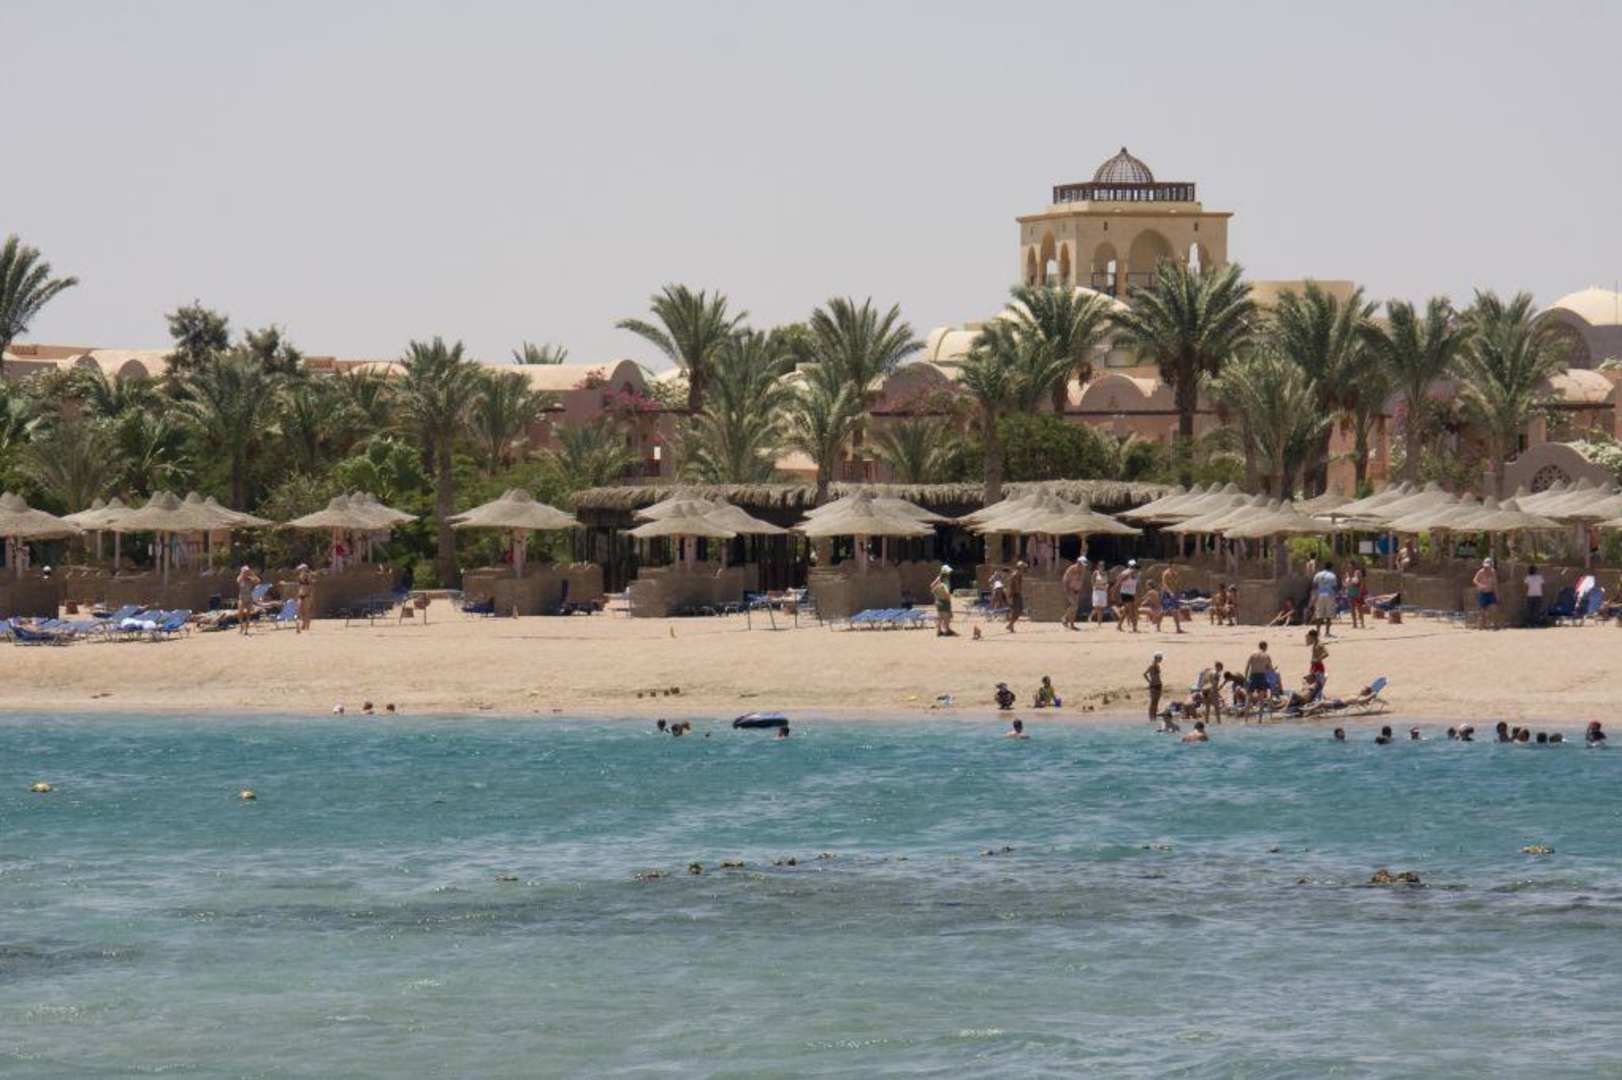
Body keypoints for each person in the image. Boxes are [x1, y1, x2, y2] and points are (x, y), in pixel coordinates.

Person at [1311, 560, 1338, 638]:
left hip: (1320, 595)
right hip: (1329, 595)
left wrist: (1315, 594)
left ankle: (1318, 632)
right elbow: (1334, 587)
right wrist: (1336, 593)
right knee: (1328, 615)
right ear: (1331, 567)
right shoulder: (1332, 575)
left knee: (1319, 614)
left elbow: (1314, 585)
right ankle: (1327, 632)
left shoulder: (1318, 574)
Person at [930, 565, 957, 638]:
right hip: (945, 600)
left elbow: (931, 586)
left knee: (940, 616)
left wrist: (936, 592)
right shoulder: (946, 581)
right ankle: (947, 630)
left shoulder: (938, 578)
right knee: (946, 616)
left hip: (938, 600)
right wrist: (948, 598)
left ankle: (939, 631)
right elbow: (946, 591)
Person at [1472, 557, 1498, 630]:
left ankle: (1494, 625)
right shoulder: (1481, 572)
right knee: (1482, 611)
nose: (1486, 568)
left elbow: (1495, 584)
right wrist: (1480, 585)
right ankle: (1481, 626)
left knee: (1494, 609)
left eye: (1488, 567)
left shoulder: (1493, 572)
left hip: (1491, 593)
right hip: (1483, 593)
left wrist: (1497, 594)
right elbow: (1474, 580)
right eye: (1485, 566)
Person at [1061, 557, 1086, 630]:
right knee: (1074, 605)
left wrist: (1080, 589)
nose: (1082, 566)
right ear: (1078, 562)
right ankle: (1064, 617)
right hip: (1070, 589)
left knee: (1075, 608)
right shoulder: (1071, 569)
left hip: (1076, 590)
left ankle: (1072, 625)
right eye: (1081, 564)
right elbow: (1065, 579)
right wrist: (1066, 589)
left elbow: (1081, 580)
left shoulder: (1082, 570)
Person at [235, 564, 261, 636]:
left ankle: (246, 629)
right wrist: (242, 574)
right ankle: (241, 626)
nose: (246, 573)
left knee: (248, 614)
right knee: (240, 613)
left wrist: (252, 574)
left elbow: (258, 581)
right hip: (242, 598)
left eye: (247, 571)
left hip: (249, 598)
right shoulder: (240, 579)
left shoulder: (250, 579)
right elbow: (238, 580)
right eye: (245, 571)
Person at [1160, 567, 1186, 634]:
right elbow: (1164, 584)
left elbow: (1177, 585)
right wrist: (1170, 592)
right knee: (1164, 611)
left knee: (1175, 610)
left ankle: (1178, 628)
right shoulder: (1166, 573)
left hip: (1173, 594)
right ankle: (1158, 626)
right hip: (1166, 594)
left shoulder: (1175, 574)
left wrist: (1179, 593)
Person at [1119, 561, 1140, 632]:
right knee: (1131, 610)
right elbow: (1119, 581)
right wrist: (1114, 591)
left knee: (1126, 611)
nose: (1135, 569)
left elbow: (1136, 586)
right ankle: (1134, 627)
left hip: (1131, 594)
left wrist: (1136, 595)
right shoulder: (1126, 573)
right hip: (1125, 593)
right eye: (1133, 567)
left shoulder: (1137, 575)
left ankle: (1119, 625)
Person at [1005, 561, 1025, 633]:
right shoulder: (1015, 575)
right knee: (1017, 611)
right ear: (1020, 568)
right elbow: (1012, 586)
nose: (1024, 569)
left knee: (1018, 611)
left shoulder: (1019, 574)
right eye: (1023, 567)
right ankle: (1010, 625)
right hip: (1015, 595)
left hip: (1017, 594)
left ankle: (1010, 625)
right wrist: (1010, 595)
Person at [1089, 561, 1111, 627]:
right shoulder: (1095, 573)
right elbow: (1092, 581)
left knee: (1101, 608)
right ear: (1098, 566)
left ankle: (1099, 623)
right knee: (1097, 607)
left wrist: (1107, 587)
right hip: (1097, 591)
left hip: (1103, 591)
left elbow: (1107, 582)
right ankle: (1090, 616)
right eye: (1100, 565)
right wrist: (1095, 586)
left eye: (1103, 565)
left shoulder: (1105, 573)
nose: (1101, 567)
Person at [1143, 653, 1164, 722]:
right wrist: (1149, 681)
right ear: (1156, 658)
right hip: (1153, 685)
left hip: (1158, 684)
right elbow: (1144, 674)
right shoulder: (1152, 666)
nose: (1161, 660)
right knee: (1153, 702)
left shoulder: (1157, 665)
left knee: (1156, 702)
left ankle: (1154, 717)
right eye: (1160, 658)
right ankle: (1151, 717)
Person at [1346, 563, 1366, 629]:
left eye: (1351, 566)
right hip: (1350, 593)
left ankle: (1362, 623)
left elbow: (1362, 583)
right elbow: (1346, 584)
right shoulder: (1348, 574)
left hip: (1357, 592)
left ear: (1354, 566)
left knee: (1359, 608)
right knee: (1352, 609)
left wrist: (1360, 593)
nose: (1349, 568)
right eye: (1349, 567)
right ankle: (1354, 624)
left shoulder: (1357, 572)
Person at [295, 563, 314, 633]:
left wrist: (311, 596)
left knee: (306, 611)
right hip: (301, 595)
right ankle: (303, 624)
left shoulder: (308, 576)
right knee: (299, 610)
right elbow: (299, 586)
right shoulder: (299, 576)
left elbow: (310, 586)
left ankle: (307, 626)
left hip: (307, 595)